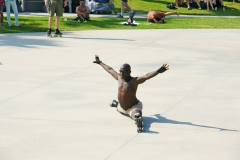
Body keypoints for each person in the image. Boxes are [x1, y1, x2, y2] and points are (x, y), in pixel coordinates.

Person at [93, 55, 169, 132]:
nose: (122, 73)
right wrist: (100, 62)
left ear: (129, 72)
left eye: (124, 72)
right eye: (121, 71)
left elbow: (146, 76)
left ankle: (139, 121)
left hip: (133, 107)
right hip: (122, 108)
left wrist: (158, 71)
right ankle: (117, 104)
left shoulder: (134, 81)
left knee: (136, 115)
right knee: (118, 107)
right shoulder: (119, 77)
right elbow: (110, 69)